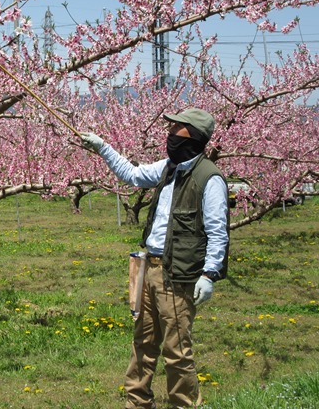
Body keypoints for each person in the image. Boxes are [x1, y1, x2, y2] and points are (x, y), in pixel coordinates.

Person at [81, 108, 229, 409]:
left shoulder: (208, 178)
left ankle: (184, 404)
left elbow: (218, 231)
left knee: (176, 349)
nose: (170, 133)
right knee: (143, 342)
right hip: (150, 268)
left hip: (178, 275)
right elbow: (133, 175)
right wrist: (102, 147)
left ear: (194, 135)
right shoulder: (168, 167)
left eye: (177, 128)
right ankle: (137, 403)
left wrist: (209, 274)